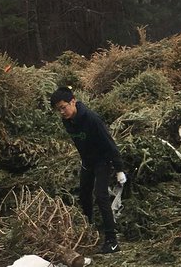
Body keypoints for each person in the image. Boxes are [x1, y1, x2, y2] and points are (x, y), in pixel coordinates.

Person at [50, 86, 127, 254]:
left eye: (64, 107)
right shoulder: (67, 120)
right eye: (58, 110)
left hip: (102, 161)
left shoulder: (92, 119)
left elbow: (109, 143)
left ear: (73, 101)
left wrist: (119, 168)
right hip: (87, 161)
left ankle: (112, 240)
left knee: (101, 197)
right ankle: (88, 231)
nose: (62, 112)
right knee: (84, 195)